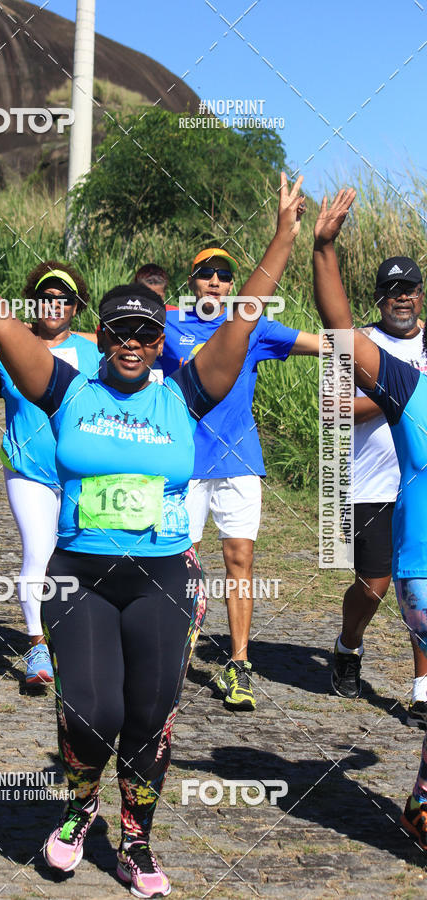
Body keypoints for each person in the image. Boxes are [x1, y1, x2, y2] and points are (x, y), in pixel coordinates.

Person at [0, 178, 305, 897]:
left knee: (148, 716)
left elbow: (244, 319)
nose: (135, 344)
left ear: (159, 340)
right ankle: (79, 814)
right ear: (102, 337)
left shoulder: (186, 393)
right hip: (78, 576)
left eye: (148, 332)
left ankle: (137, 844)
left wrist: (285, 238)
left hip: (163, 579)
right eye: (121, 332)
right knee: (93, 711)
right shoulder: (67, 388)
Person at [160, 246, 323, 712]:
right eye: (205, 273)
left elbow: (323, 343)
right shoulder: (169, 324)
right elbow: (110, 340)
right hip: (184, 463)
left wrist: (376, 346)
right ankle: (174, 658)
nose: (215, 281)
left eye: (224, 275)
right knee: (178, 564)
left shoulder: (252, 327)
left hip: (239, 462)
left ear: (233, 285)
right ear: (190, 281)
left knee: (239, 561)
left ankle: (239, 663)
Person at [314, 186, 427, 850]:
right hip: (422, 561)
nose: (405, 297)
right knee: (371, 584)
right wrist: (323, 248)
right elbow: (339, 335)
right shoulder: (408, 388)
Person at [0, 262, 101, 684]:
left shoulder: (95, 351)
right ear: (35, 303)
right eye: (47, 298)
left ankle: (78, 639)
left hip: (82, 473)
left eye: (63, 300)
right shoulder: (11, 346)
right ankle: (37, 647)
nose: (54, 306)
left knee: (83, 555)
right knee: (39, 552)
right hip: (27, 470)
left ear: (75, 307)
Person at [331, 256, 427, 721]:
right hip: (370, 482)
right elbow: (335, 408)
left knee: (420, 586)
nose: (402, 298)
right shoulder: (362, 343)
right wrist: (397, 394)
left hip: (419, 486)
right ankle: (348, 645)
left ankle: (422, 687)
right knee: (374, 586)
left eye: (409, 288)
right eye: (392, 291)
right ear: (379, 299)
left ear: (421, 294)